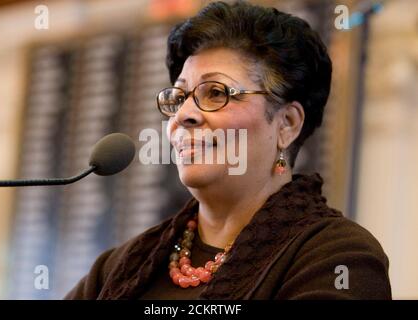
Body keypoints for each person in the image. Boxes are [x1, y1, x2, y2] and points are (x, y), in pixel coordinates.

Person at [65, 1, 391, 300]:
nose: (183, 115)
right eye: (179, 98)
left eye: (215, 92)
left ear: (287, 124)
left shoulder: (337, 259)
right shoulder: (118, 267)